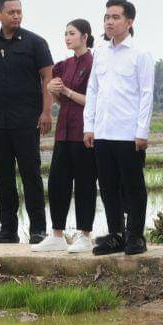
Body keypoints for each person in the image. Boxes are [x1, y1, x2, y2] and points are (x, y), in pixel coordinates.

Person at [0, 0, 54, 245]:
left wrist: (47, 112)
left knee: (31, 175)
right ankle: (8, 230)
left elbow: (48, 78)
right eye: (11, 12)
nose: (16, 15)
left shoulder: (35, 43)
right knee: (3, 177)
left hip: (27, 121)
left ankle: (38, 230)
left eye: (19, 11)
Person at [83, 0, 155, 256]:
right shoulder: (100, 51)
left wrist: (142, 132)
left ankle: (135, 235)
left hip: (128, 133)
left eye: (115, 17)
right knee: (109, 185)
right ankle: (115, 234)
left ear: (129, 21)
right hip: (103, 131)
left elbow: (147, 94)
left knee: (133, 186)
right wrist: (88, 126)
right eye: (106, 17)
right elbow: (93, 90)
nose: (109, 22)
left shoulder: (141, 53)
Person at [33, 20, 97, 253]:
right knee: (58, 182)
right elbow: (64, 101)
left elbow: (93, 101)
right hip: (64, 131)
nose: (67, 37)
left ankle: (85, 234)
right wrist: (54, 93)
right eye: (65, 33)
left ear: (85, 36)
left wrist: (67, 91)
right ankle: (57, 234)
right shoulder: (64, 65)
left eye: (72, 33)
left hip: (85, 131)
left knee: (84, 183)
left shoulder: (94, 63)